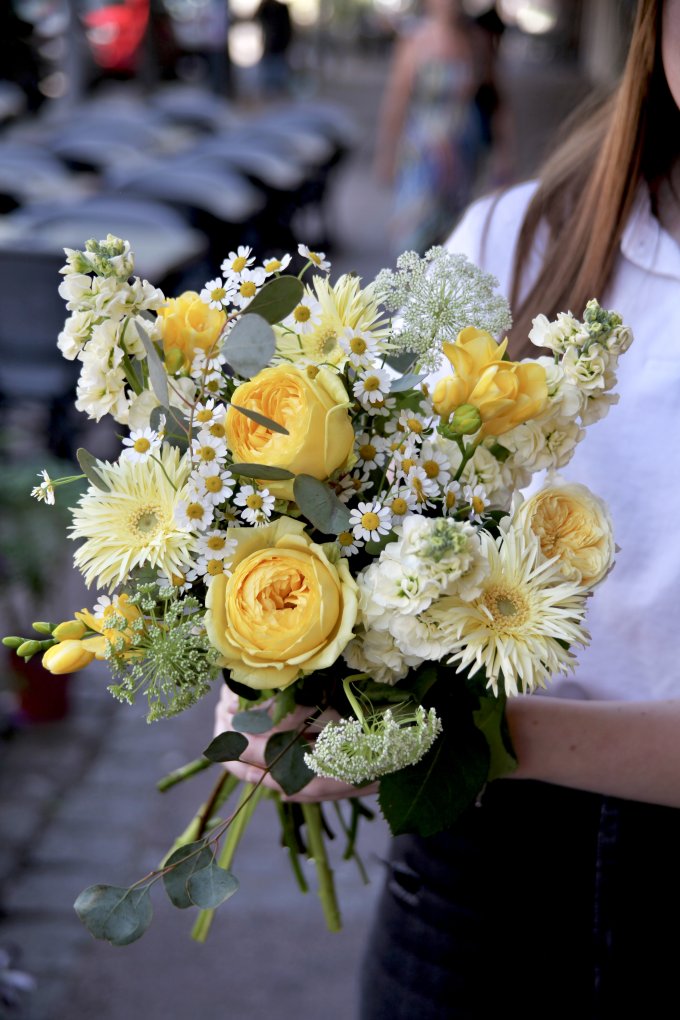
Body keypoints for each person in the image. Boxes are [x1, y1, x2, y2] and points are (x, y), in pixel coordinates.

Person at [216, 0, 680, 1013]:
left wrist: (444, 737)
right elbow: (375, 500)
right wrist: (279, 650)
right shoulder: (516, 238)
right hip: (464, 889)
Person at [373, 0, 491, 257]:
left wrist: (502, 151)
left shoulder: (474, 41)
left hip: (462, 148)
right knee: (415, 233)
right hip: (423, 152)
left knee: (454, 237)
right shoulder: (414, 41)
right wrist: (387, 154)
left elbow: (492, 99)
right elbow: (397, 100)